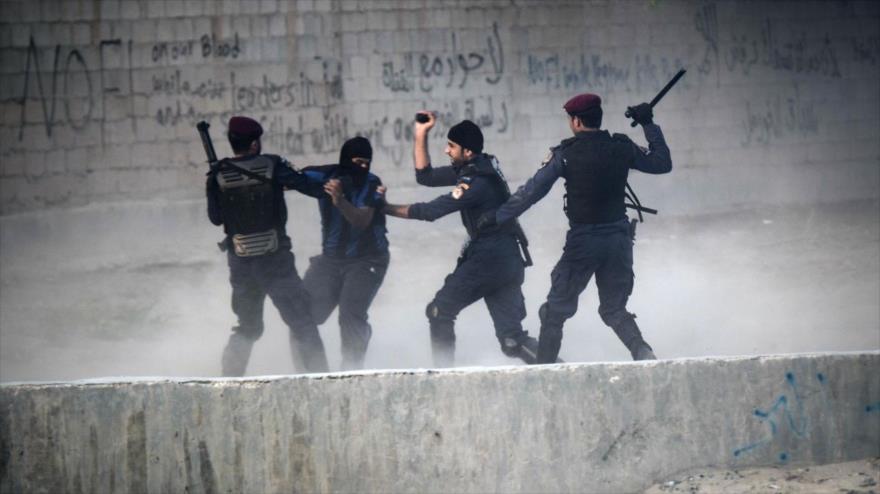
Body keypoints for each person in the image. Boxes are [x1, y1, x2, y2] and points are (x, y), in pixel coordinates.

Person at [478, 94, 672, 363]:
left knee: (554, 312)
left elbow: (531, 193)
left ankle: (544, 371)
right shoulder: (621, 146)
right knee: (614, 309)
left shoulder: (566, 154)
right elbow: (662, 163)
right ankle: (644, 353)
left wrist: (497, 217)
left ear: (577, 121)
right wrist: (647, 123)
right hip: (618, 240)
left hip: (584, 243)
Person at [381, 113, 539, 367]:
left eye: (451, 146)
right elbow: (426, 176)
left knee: (439, 311)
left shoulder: (476, 182)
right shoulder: (483, 164)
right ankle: (561, 368)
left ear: (467, 151)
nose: (446, 150)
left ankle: (444, 381)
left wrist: (384, 208)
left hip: (490, 257)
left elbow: (431, 211)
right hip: (507, 258)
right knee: (512, 341)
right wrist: (421, 134)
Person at [206, 116, 329, 376]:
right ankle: (325, 380)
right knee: (302, 322)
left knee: (248, 327)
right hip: (276, 261)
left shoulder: (217, 174)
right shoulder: (272, 165)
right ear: (253, 144)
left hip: (240, 262)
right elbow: (309, 186)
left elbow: (216, 218)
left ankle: (229, 384)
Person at [298, 137, 389, 371]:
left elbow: (361, 221)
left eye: (367, 162)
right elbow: (285, 179)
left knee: (350, 316)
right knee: (301, 315)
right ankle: (310, 373)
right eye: (358, 162)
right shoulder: (324, 177)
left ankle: (351, 373)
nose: (363, 168)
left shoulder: (372, 183)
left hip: (367, 260)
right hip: (330, 260)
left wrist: (339, 200)